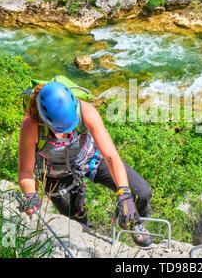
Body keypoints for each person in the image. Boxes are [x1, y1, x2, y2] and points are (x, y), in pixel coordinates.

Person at [17, 81, 153, 247]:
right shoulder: (31, 126)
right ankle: (89, 237)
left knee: (142, 192)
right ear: (47, 121)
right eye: (62, 129)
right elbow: (25, 172)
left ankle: (132, 220)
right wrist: (30, 194)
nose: (69, 132)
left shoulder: (85, 110)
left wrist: (124, 193)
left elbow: (111, 156)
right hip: (55, 174)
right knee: (77, 221)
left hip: (89, 158)